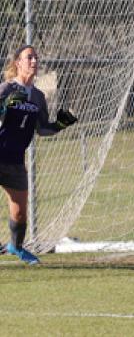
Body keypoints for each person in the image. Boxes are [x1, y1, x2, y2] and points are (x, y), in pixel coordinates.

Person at [0, 45, 77, 264]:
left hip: (14, 161)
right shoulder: (6, 88)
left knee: (20, 214)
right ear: (18, 63)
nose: (34, 61)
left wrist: (60, 125)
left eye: (36, 58)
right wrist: (4, 107)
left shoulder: (38, 97)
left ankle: (15, 247)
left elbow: (43, 130)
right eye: (29, 57)